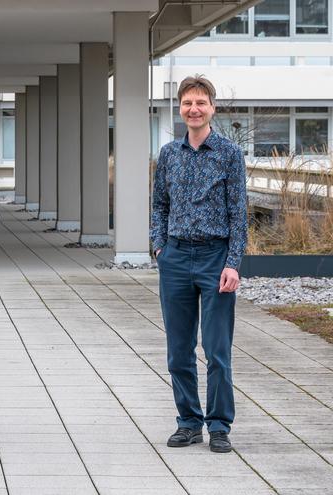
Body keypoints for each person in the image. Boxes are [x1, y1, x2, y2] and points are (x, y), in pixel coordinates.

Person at [151, 75, 248, 454]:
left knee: (217, 348)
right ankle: (188, 422)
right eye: (188, 103)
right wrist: (159, 246)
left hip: (215, 258)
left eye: (201, 103)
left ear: (212, 108)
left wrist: (233, 263)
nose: (194, 109)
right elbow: (159, 204)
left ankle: (220, 425)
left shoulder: (228, 154)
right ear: (180, 108)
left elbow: (239, 213)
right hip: (175, 258)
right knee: (178, 350)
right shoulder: (169, 154)